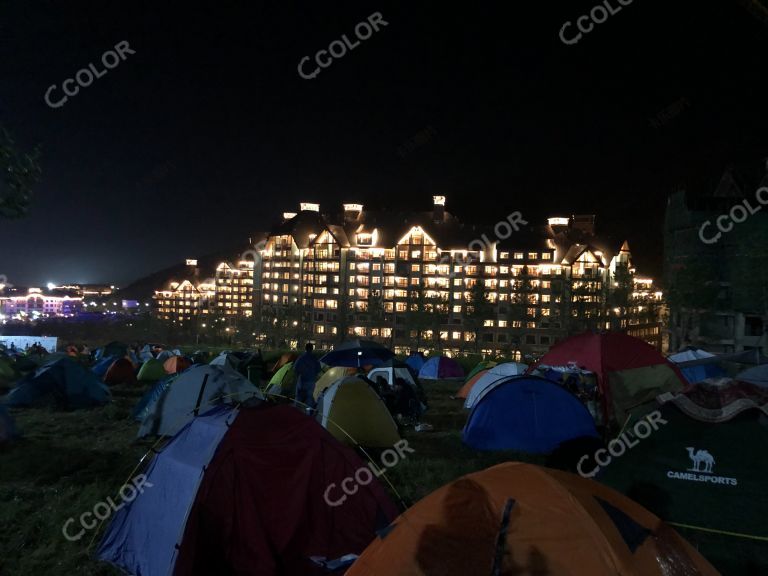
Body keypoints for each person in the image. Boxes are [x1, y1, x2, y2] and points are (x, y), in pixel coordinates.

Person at [293, 343, 321, 412]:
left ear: (305, 348)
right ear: (312, 349)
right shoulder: (314, 358)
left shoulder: (301, 358)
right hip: (311, 381)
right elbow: (318, 369)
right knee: (309, 398)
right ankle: (308, 414)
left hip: (302, 381)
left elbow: (295, 368)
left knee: (298, 398)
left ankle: (295, 412)